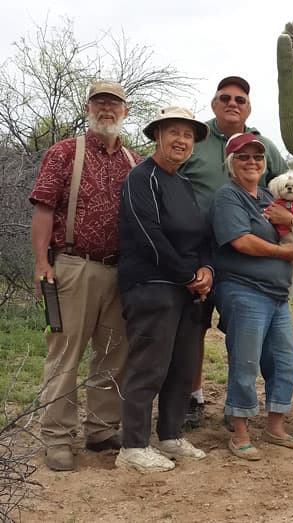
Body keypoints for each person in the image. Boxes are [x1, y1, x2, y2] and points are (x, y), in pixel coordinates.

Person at [30, 80, 141, 471]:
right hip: (73, 266)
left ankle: (101, 429)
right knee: (65, 354)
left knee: (113, 353)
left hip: (119, 270)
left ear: (125, 111)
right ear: (89, 107)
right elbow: (44, 208)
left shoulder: (134, 160)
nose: (107, 109)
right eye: (100, 102)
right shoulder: (64, 153)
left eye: (114, 103)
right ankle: (57, 437)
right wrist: (43, 263)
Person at [180, 76, 288, 429]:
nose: (232, 104)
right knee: (194, 328)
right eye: (225, 98)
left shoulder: (264, 145)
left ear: (249, 107)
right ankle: (192, 397)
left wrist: (287, 216)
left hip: (245, 259)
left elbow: (282, 188)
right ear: (214, 104)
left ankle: (235, 409)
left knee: (242, 334)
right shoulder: (196, 138)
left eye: (240, 99)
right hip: (196, 249)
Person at [115, 107, 212, 473]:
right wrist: (188, 274)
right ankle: (133, 446)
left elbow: (200, 234)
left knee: (182, 365)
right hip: (152, 285)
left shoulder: (183, 184)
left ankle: (170, 435)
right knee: (148, 366)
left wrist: (206, 269)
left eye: (187, 135)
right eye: (173, 132)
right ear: (157, 136)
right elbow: (148, 234)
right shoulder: (141, 178)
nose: (181, 141)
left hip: (187, 288)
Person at [210, 133, 293, 460]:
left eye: (257, 157)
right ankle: (240, 431)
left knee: (284, 360)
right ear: (231, 163)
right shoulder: (229, 197)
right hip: (244, 290)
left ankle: (275, 426)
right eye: (243, 157)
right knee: (246, 360)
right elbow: (241, 241)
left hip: (277, 294)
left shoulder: (270, 196)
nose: (252, 162)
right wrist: (283, 255)